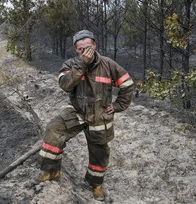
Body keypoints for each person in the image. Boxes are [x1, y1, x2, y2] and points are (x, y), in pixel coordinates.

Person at [37, 30, 135, 201]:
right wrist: (82, 64)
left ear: (95, 45)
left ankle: (96, 185)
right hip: (77, 111)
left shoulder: (108, 65)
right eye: (81, 49)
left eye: (88, 47)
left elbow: (127, 84)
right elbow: (65, 85)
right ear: (76, 49)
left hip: (99, 114)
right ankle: (51, 171)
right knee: (53, 130)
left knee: (100, 151)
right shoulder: (70, 64)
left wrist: (119, 105)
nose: (85, 51)